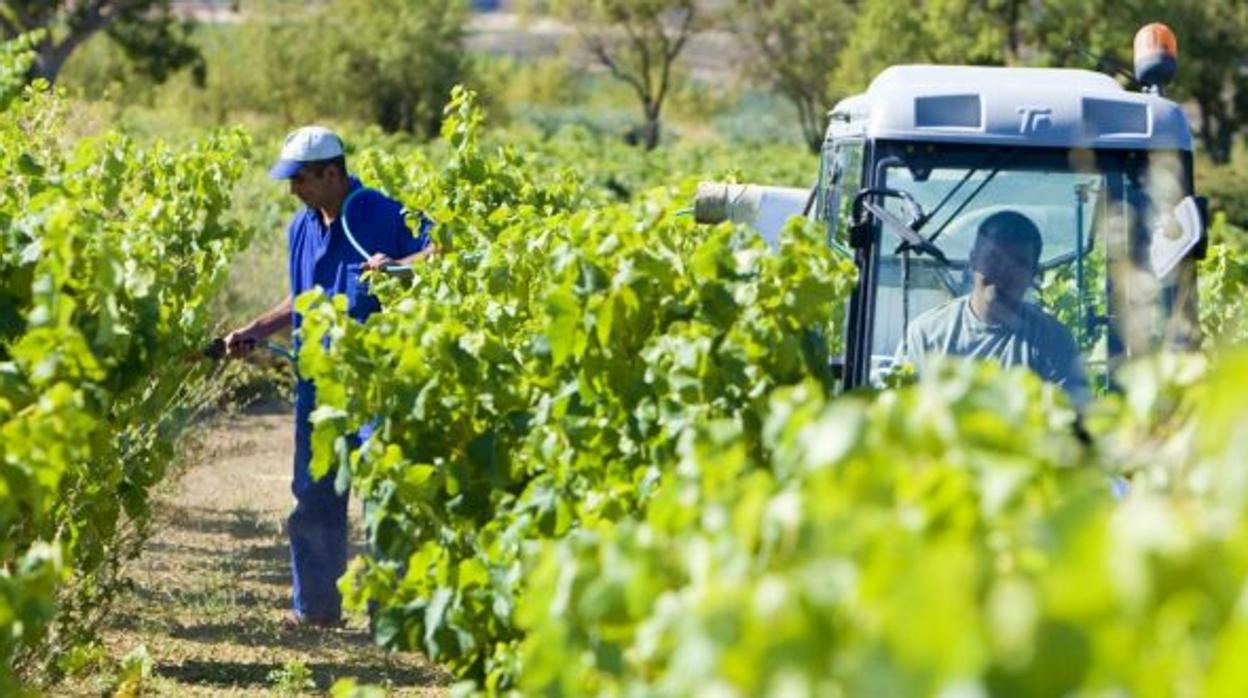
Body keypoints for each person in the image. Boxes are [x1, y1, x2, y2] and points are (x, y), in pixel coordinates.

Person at [224, 126, 434, 627]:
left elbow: (441, 251)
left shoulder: (382, 212)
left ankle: (393, 619)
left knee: (385, 493)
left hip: (377, 379)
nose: (293, 189)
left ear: (333, 173)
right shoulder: (301, 227)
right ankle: (315, 611)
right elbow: (303, 297)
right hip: (317, 384)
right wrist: (255, 329)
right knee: (313, 494)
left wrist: (399, 266)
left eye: (301, 179)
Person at [896, 210, 1090, 406]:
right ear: (973, 260)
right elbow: (901, 413)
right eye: (994, 258)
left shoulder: (1052, 340)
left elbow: (1072, 420)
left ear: (1033, 273)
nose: (1004, 271)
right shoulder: (926, 335)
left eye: (1018, 263)